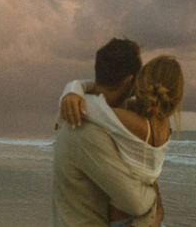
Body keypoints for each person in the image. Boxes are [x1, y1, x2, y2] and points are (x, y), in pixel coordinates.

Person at [59, 54, 184, 227]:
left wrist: (72, 89)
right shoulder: (163, 126)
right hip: (151, 216)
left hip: (126, 220)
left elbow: (81, 107)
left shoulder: (131, 122)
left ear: (139, 81)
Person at [51, 38, 158, 227]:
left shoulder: (87, 114)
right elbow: (135, 203)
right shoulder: (84, 127)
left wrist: (75, 86)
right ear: (129, 81)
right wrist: (156, 194)